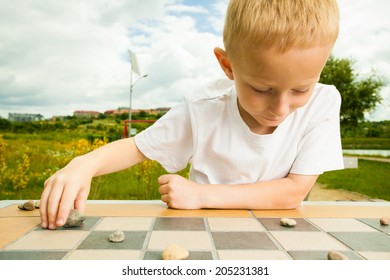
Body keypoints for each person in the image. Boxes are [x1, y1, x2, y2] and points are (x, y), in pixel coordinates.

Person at [40, 0, 344, 230]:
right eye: (262, 89)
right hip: (200, 232)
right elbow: (136, 147)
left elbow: (292, 193)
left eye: (301, 89)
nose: (280, 109)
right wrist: (85, 164)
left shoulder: (324, 102)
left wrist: (201, 195)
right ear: (227, 66)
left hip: (281, 234)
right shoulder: (203, 106)